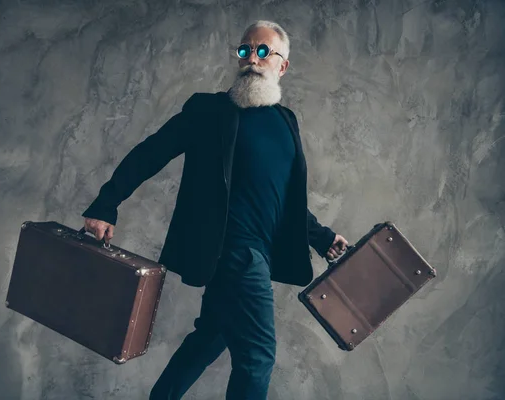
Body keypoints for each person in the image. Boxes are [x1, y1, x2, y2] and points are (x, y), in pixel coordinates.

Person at [82, 20, 349, 400]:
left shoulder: (286, 123)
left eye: (262, 51)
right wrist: (106, 204)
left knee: (210, 338)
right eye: (245, 50)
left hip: (259, 254)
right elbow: (150, 153)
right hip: (234, 253)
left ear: (282, 65)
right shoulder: (208, 111)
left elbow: (285, 200)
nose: (252, 59)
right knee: (257, 357)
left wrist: (322, 238)